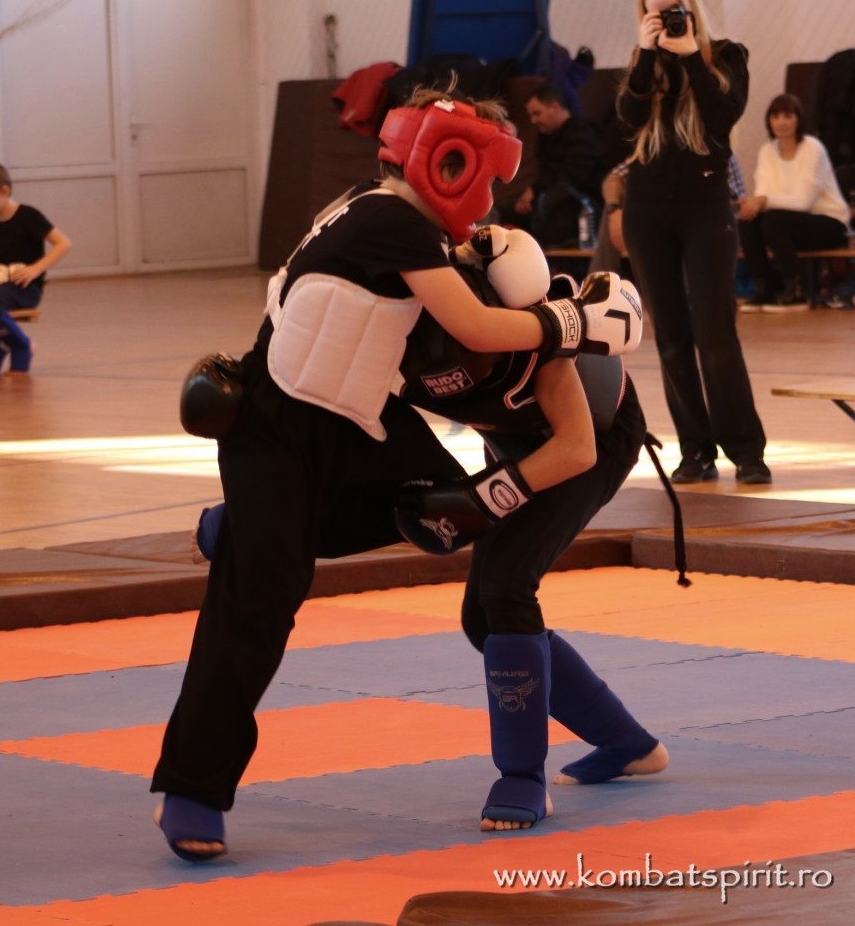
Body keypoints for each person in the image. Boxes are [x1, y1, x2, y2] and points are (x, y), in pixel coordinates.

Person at [151, 88, 644, 861]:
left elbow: (570, 443)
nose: (486, 213)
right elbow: (476, 326)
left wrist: (488, 491)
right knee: (260, 603)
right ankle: (192, 788)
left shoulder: (445, 248)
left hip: (365, 424)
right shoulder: (397, 226)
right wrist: (575, 323)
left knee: (439, 513)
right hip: (278, 426)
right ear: (449, 165)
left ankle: (250, 528)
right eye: (484, 183)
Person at [192, 241, 664, 836]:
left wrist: (484, 500)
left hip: (589, 440)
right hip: (513, 442)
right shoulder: (389, 327)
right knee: (479, 617)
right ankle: (627, 743)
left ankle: (523, 776)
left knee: (505, 589)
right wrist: (259, 512)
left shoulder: (533, 329)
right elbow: (334, 438)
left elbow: (576, 448)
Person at [617, 0, 770, 485]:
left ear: (691, 9)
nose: (665, 22)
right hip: (647, 208)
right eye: (654, 15)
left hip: (705, 206)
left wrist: (689, 57)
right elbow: (629, 119)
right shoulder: (643, 63)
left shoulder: (726, 56)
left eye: (672, 12)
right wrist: (647, 55)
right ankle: (695, 451)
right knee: (671, 337)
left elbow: (722, 117)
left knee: (715, 333)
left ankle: (747, 452)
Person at [736, 93, 855, 311]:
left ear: (798, 120)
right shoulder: (767, 151)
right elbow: (762, 197)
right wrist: (755, 204)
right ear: (769, 121)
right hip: (785, 225)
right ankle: (766, 288)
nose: (781, 122)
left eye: (787, 116)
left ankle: (797, 290)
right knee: (747, 221)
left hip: (831, 224)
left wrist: (763, 201)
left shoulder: (813, 148)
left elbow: (802, 202)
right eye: (775, 116)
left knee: (773, 220)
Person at [587, 152, 747, 279]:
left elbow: (735, 202)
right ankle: (594, 292)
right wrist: (614, 209)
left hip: (707, 222)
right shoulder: (654, 149)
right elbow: (613, 178)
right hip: (662, 218)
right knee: (614, 210)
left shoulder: (715, 149)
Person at [508, 80, 606, 249]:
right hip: (551, 195)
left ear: (555, 107)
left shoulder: (582, 133)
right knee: (506, 208)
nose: (533, 120)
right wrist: (531, 193)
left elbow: (575, 176)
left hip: (583, 203)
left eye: (537, 113)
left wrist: (536, 190)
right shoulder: (545, 137)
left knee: (551, 204)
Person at [0, 164, 72, 374]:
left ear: (4, 190)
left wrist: (36, 269)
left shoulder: (28, 216)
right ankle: (4, 342)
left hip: (24, 288)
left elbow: (64, 244)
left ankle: (22, 344)